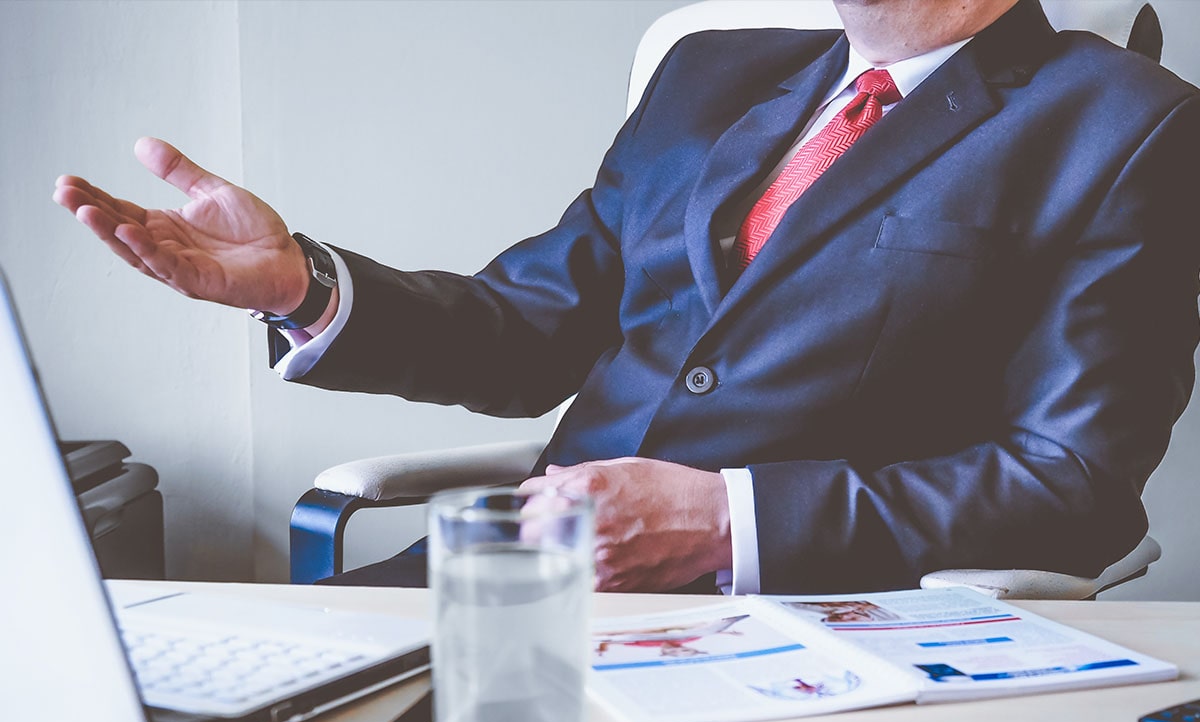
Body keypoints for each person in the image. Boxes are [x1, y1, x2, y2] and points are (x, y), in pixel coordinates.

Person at [53, 0, 1200, 595]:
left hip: (804, 620)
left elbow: (1074, 481)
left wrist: (724, 525)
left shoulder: (1129, 123)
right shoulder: (713, 73)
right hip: (514, 580)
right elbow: (528, 330)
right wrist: (306, 284)